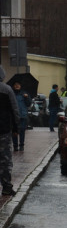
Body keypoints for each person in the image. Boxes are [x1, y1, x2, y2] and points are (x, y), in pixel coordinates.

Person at [0, 65, 20, 197]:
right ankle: (6, 186)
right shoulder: (7, 90)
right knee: (5, 159)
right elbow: (15, 110)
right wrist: (16, 127)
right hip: (3, 129)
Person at [11, 81, 31, 152]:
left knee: (22, 130)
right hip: (13, 115)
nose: (17, 86)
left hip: (23, 115)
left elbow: (28, 104)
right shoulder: (11, 93)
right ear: (13, 86)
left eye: (18, 84)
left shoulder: (24, 93)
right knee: (14, 131)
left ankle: (21, 145)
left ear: (20, 85)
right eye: (15, 85)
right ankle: (15, 146)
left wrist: (27, 97)